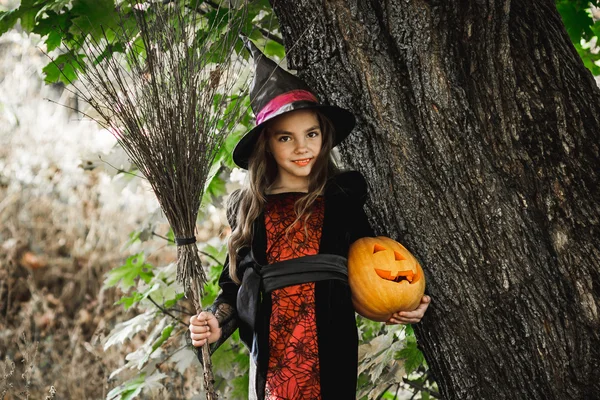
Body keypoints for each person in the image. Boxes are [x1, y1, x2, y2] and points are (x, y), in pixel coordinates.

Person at [189, 37, 431, 400]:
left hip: (331, 349)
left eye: (311, 134)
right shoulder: (251, 208)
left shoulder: (341, 198)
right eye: (286, 137)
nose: (302, 147)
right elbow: (234, 289)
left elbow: (372, 262)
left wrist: (405, 299)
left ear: (324, 136)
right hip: (275, 359)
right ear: (266, 144)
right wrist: (214, 323)